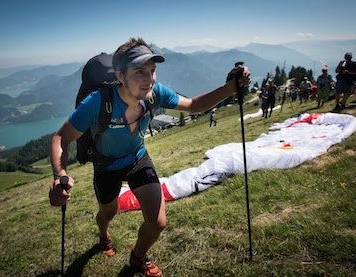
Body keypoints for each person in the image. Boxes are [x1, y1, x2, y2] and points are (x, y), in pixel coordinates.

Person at [48, 37, 250, 277]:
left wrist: (229, 88)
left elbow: (194, 105)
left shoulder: (156, 94)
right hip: (106, 166)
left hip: (138, 158)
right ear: (120, 76)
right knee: (108, 213)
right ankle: (103, 234)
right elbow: (60, 138)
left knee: (157, 222)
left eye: (152, 70)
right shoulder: (98, 102)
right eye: (140, 71)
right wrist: (60, 174)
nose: (149, 79)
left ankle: (137, 259)